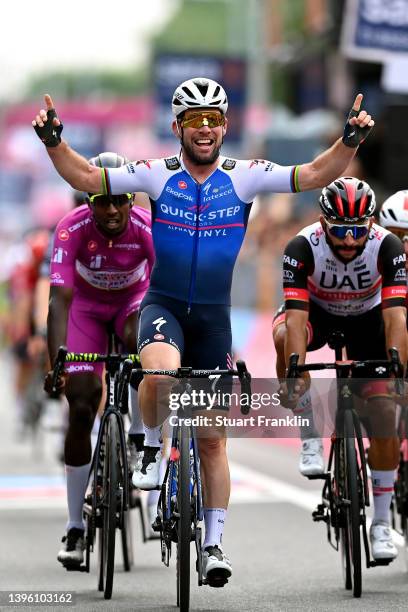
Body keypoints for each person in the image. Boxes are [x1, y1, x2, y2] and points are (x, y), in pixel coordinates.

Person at [33, 78, 374, 586]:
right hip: (165, 306)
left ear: (225, 125)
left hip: (214, 317)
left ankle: (213, 544)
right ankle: (150, 443)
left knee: (213, 441)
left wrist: (349, 140)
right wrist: (54, 140)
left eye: (214, 119)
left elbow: (314, 174)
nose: (206, 128)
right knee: (159, 375)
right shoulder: (152, 173)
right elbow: (85, 173)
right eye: (195, 120)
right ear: (177, 128)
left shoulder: (246, 177)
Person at [272, 176, 407, 560]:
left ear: (370, 225)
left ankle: (381, 523)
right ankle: (310, 432)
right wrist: (295, 372)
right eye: (340, 231)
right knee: (285, 339)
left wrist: (397, 371)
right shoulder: (302, 246)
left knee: (383, 413)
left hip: (368, 321)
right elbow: (296, 322)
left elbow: (396, 318)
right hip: (316, 315)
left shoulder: (388, 245)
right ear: (323, 223)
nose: (349, 241)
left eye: (357, 231)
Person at [44, 152, 155, 568]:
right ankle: (75, 526)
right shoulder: (70, 229)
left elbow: (164, 294)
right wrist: (56, 359)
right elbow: (59, 301)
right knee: (81, 406)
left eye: (119, 201)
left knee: (143, 344)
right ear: (87, 202)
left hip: (134, 303)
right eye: (100, 201)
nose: (111, 210)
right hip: (85, 312)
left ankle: (141, 433)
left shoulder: (147, 227)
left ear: (132, 201)